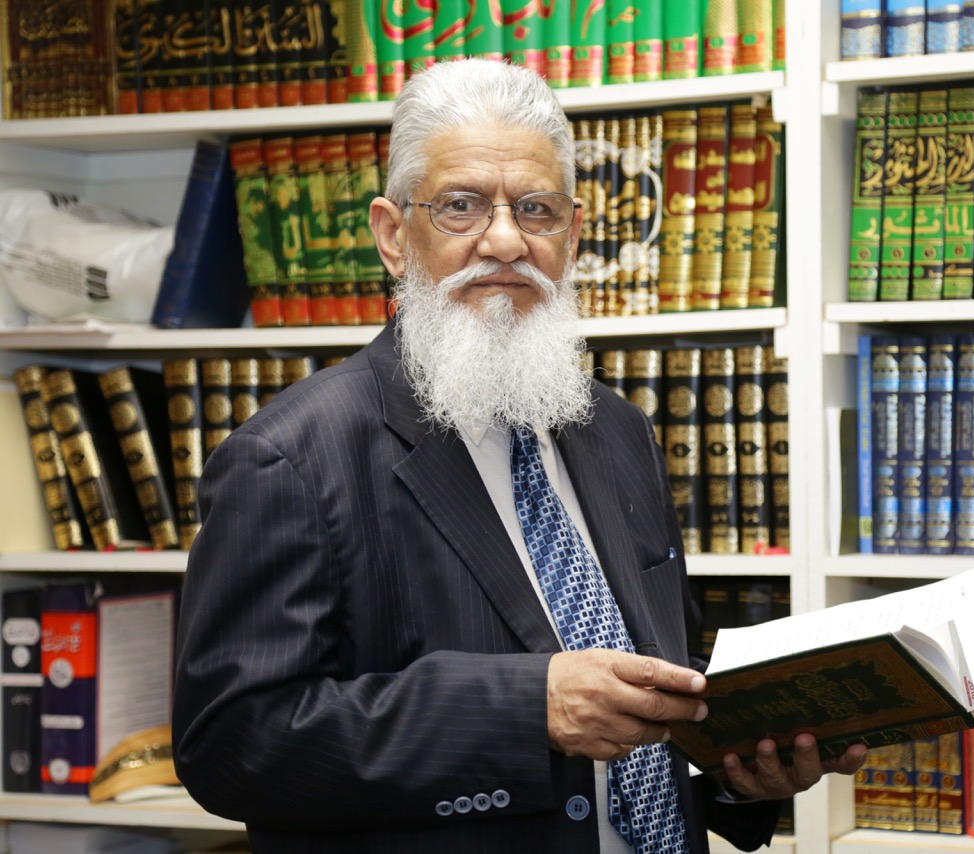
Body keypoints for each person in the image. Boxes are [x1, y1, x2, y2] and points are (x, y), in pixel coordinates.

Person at [172, 58, 866, 854]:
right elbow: (230, 745)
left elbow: (648, 688)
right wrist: (523, 708)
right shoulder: (289, 458)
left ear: (571, 236)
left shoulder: (618, 432)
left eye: (534, 210)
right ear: (394, 237)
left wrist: (736, 768)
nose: (504, 240)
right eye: (462, 206)